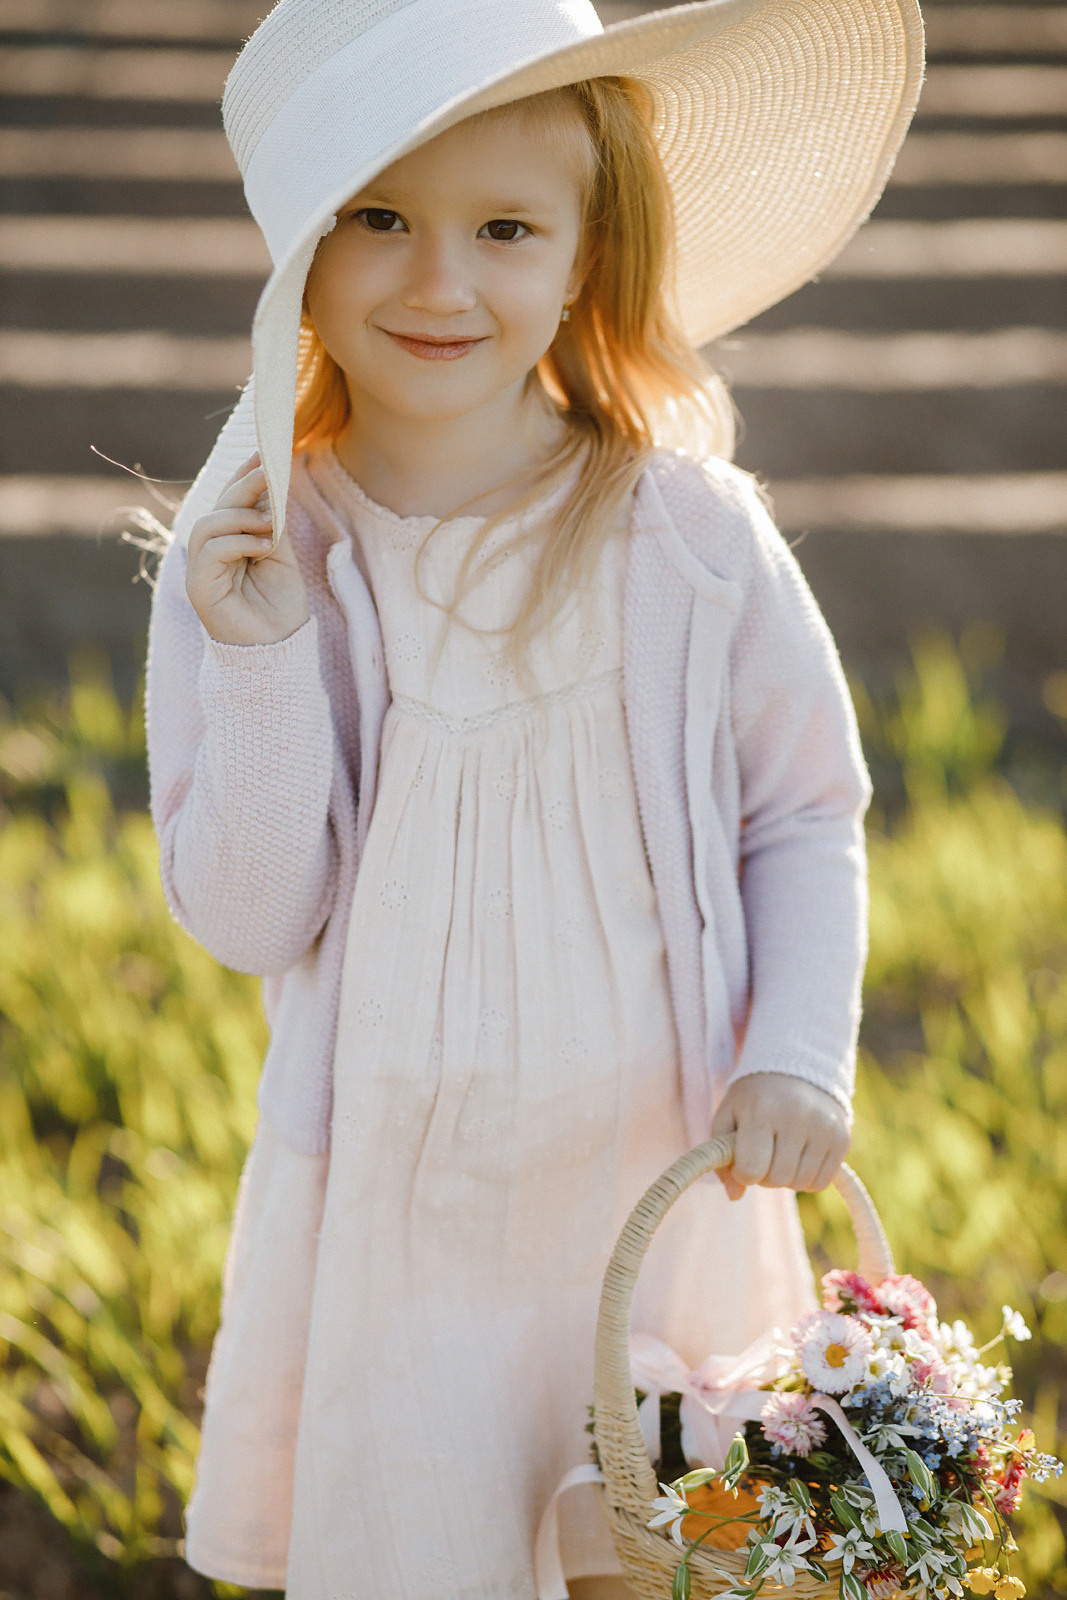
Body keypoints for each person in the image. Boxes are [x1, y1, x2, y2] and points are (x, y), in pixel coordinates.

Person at [143, 0, 924, 1595]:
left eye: (505, 226)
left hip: (655, 1170)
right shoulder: (259, 558)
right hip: (398, 1200)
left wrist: (793, 1050)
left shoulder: (686, 534)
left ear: (587, 253)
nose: (440, 281)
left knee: (645, 1534)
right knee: (424, 1533)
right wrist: (266, 664)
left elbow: (803, 811)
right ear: (303, 248)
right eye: (380, 219)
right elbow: (245, 916)